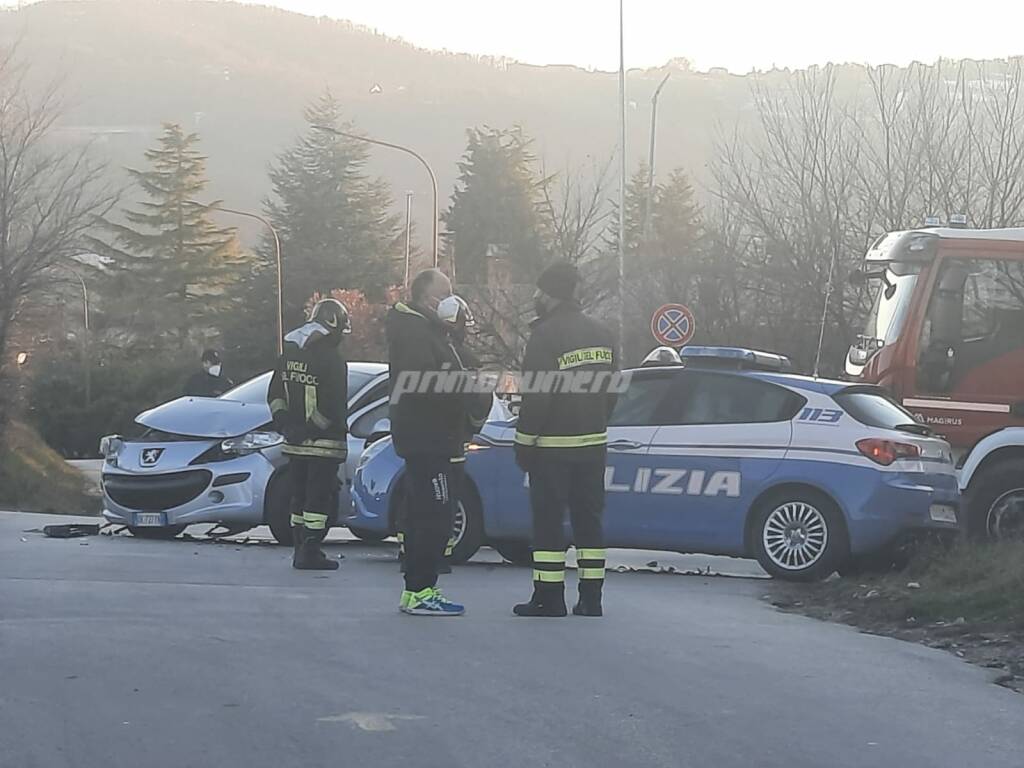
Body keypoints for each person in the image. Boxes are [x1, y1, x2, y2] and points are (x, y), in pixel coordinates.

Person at [513, 262, 618, 618]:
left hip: (553, 449)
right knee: (589, 521)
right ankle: (591, 598)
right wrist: (595, 422)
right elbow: (612, 393)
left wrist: (525, 444)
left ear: (552, 293)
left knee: (548, 524)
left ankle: (549, 597)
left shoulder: (545, 336)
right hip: (593, 445)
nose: (536, 298)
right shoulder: (604, 333)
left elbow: (537, 397)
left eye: (539, 292)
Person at [387, 270, 478, 616]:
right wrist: (461, 387)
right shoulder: (413, 333)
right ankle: (421, 589)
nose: (451, 299)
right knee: (435, 517)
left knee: (427, 515)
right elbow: (423, 385)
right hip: (428, 440)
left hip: (436, 438)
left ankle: (418, 589)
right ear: (428, 298)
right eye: (446, 293)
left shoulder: (430, 331)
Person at [396, 294, 489, 576]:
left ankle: (416, 560)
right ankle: (431, 568)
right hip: (448, 444)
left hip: (429, 441)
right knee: (439, 509)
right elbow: (476, 400)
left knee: (419, 505)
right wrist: (474, 423)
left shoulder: (427, 347)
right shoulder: (458, 357)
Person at [267, 298, 351, 571]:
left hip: (294, 446)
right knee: (318, 500)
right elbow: (333, 405)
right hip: (323, 446)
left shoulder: (289, 354)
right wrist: (309, 429)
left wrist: (285, 425)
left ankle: (298, 549)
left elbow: (275, 395)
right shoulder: (333, 361)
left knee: (299, 498)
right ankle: (311, 551)